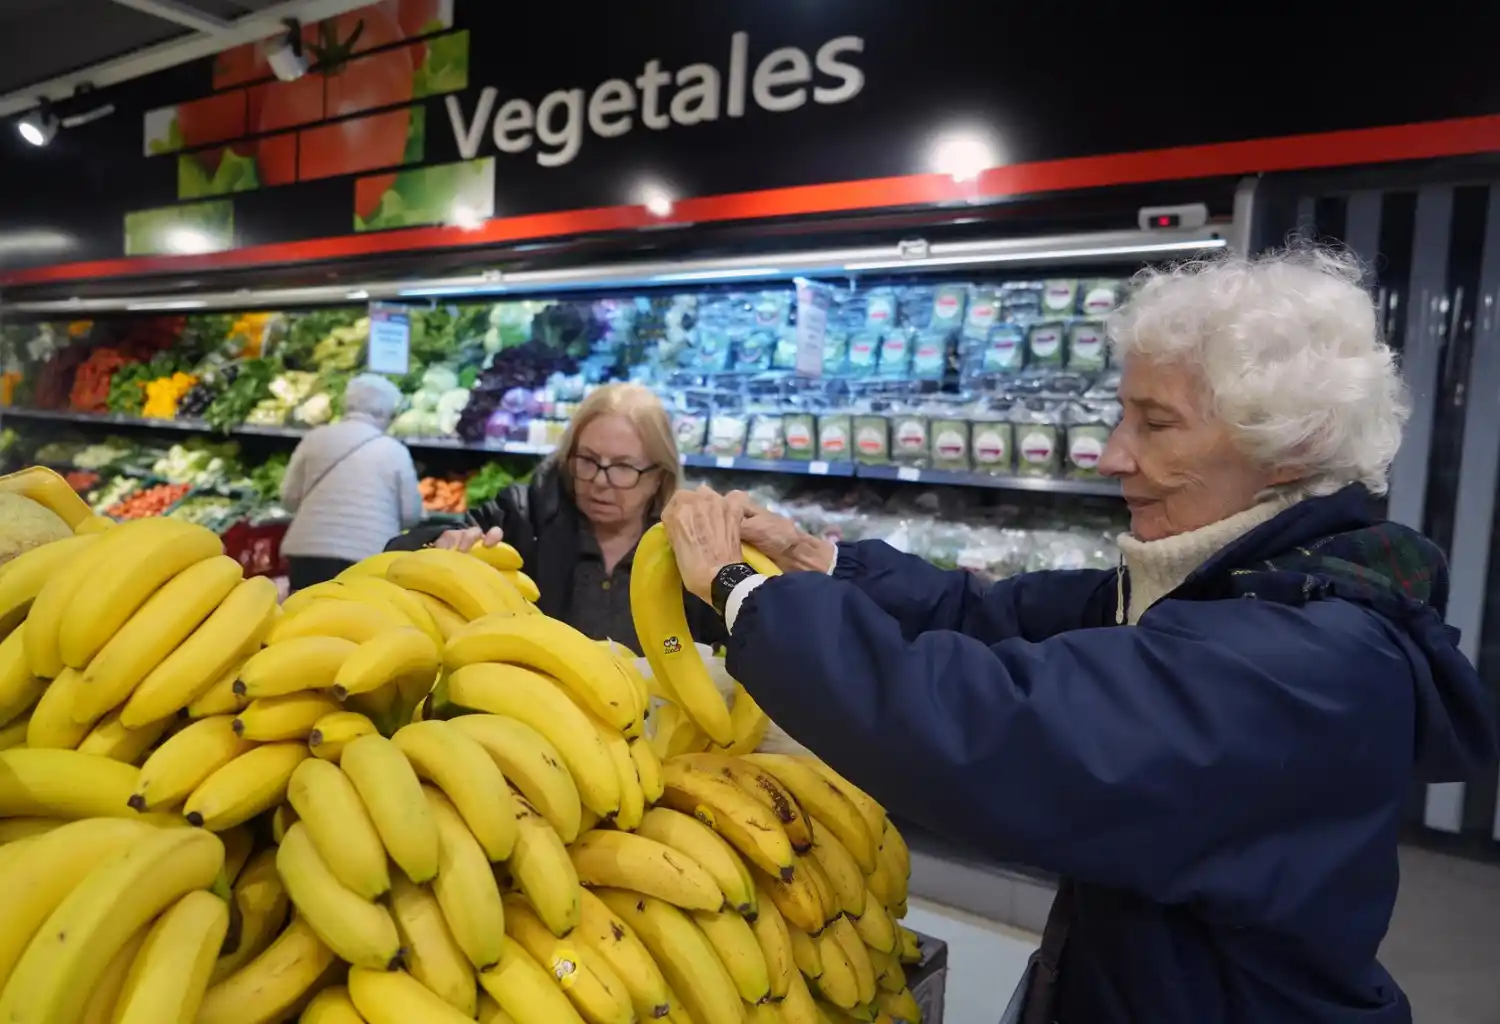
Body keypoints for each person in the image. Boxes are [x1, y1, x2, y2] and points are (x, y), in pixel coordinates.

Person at [659, 248, 1499, 1024]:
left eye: (1155, 424)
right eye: (1121, 417)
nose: (1110, 456)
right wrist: (821, 562)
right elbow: (993, 616)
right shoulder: (1231, 586)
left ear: (1289, 448)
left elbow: (998, 731)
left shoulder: (1297, 664)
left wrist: (742, 596)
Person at [388, 382, 724, 652]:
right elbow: (396, 557)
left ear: (659, 477)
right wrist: (437, 545)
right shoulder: (523, 515)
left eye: (623, 467)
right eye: (587, 460)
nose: (599, 481)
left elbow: (728, 641)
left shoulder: (689, 547)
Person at [280, 373, 421, 591]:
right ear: (385, 412)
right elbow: (411, 515)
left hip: (308, 550)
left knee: (305, 609)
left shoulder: (314, 439)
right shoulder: (395, 451)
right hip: (369, 554)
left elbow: (289, 498)